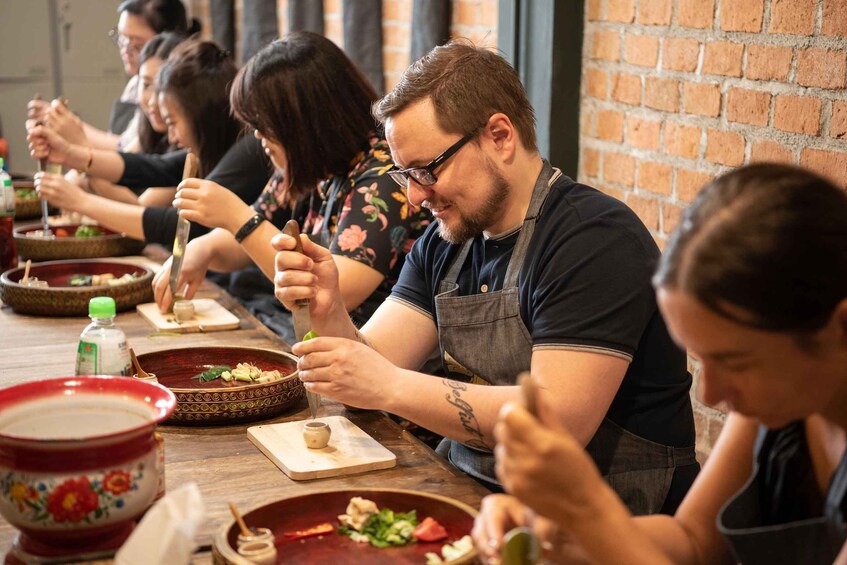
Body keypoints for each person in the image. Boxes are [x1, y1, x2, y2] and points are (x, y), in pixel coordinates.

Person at [272, 40, 698, 512]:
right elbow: (369, 367)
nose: (415, 197)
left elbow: (557, 422)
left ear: (500, 135)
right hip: (474, 495)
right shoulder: (447, 240)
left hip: (606, 520)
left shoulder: (592, 238)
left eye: (426, 170)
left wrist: (390, 385)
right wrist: (330, 310)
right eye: (404, 176)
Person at [473, 163, 847, 565]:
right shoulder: (780, 399)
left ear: (839, 327)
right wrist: (558, 532)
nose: (710, 393)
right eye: (703, 360)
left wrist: (590, 508)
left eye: (736, 362)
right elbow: (693, 540)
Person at [150, 32, 431, 342]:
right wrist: (201, 248)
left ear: (304, 123)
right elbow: (249, 242)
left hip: (373, 352)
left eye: (264, 125)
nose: (258, 136)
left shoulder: (383, 175)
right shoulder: (311, 166)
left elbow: (337, 292)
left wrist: (236, 217)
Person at [29, 39, 264, 246]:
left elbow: (180, 225)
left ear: (201, 116)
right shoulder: (214, 145)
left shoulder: (248, 150)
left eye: (172, 122)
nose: (171, 136)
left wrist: (80, 201)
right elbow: (152, 167)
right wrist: (70, 154)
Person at [28, 0, 196, 151]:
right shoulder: (135, 84)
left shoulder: (181, 95)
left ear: (166, 43)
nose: (125, 51)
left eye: (137, 44)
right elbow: (128, 153)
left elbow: (125, 153)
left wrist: (73, 134)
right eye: (122, 39)